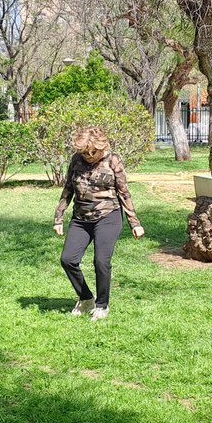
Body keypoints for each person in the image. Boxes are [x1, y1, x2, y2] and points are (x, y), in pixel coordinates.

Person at [53, 126, 144, 321]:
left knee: (101, 261)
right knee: (68, 259)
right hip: (80, 218)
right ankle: (86, 299)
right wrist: (58, 217)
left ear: (101, 147)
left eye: (92, 152)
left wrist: (134, 222)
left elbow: (124, 192)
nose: (88, 156)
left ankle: (102, 305)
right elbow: (68, 189)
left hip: (108, 216)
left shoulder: (113, 160)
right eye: (85, 152)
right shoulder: (76, 160)